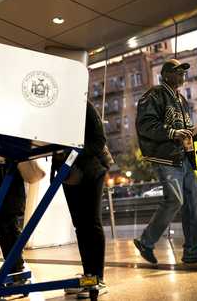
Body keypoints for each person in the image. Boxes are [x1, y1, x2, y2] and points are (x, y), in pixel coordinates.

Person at [133, 58, 197, 264]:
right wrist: (172, 132)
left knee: (194, 205)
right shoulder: (154, 95)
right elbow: (145, 125)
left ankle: (193, 251)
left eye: (183, 72)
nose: (182, 75)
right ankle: (146, 241)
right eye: (178, 72)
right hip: (166, 157)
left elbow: (184, 133)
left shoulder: (182, 100)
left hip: (185, 158)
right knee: (175, 199)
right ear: (166, 75)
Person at [52, 100, 112, 298]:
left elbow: (99, 139)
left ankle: (98, 279)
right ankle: (89, 276)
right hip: (69, 173)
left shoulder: (83, 104)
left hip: (91, 169)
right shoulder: (56, 107)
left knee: (91, 222)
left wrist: (72, 155)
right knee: (80, 225)